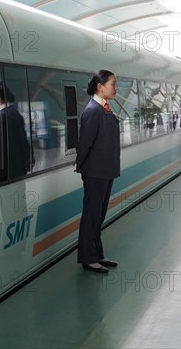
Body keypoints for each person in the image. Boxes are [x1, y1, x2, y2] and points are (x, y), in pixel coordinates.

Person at [75, 70, 120, 273]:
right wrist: (81, 165)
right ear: (100, 87)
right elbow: (84, 143)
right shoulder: (93, 111)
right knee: (91, 215)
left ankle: (98, 254)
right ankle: (88, 258)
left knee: (99, 215)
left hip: (105, 171)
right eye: (112, 84)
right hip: (95, 172)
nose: (115, 88)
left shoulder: (105, 109)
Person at [0, 82, 33, 183]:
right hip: (17, 168)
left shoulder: (1, 117)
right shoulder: (13, 112)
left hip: (6, 171)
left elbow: (2, 146)